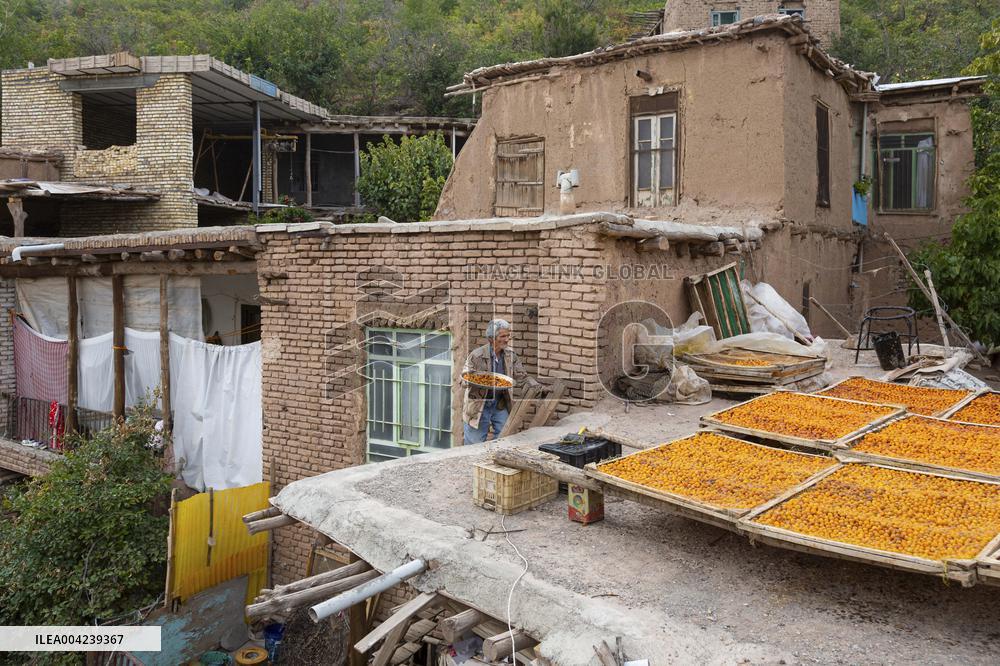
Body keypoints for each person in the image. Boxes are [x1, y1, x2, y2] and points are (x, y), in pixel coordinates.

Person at [463, 319, 540, 444]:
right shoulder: (476, 356)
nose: (507, 339)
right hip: (479, 406)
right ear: (491, 338)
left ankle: (494, 460)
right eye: (502, 336)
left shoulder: (510, 355)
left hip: (500, 403)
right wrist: (482, 380)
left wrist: (534, 384)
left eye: (508, 335)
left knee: (505, 437)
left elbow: (522, 375)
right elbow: (464, 380)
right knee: (474, 444)